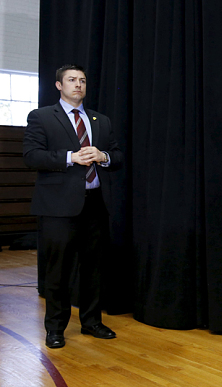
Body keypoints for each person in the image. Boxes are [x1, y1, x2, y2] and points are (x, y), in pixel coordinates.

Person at [23, 64, 123, 348]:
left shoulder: (100, 120)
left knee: (94, 268)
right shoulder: (41, 117)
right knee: (58, 271)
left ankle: (91, 322)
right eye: (71, 80)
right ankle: (55, 328)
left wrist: (102, 155)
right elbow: (32, 157)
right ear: (59, 86)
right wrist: (70, 157)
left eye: (82, 80)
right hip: (57, 208)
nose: (78, 84)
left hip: (95, 205)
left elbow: (117, 156)